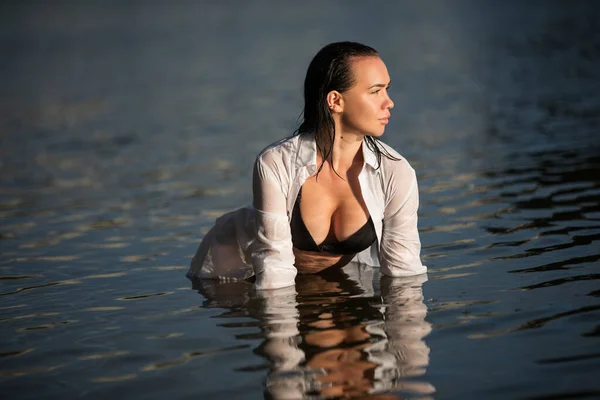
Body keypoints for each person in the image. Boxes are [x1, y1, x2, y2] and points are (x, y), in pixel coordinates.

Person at [187, 41, 427, 290]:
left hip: (328, 278)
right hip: (234, 276)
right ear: (335, 101)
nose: (389, 103)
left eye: (387, 89)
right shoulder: (276, 163)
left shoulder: (395, 171)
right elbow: (274, 269)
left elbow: (405, 272)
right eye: (376, 91)